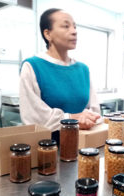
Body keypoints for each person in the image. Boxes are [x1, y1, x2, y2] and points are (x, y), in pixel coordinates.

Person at [19, 8, 101, 142]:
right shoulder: (32, 66)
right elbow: (33, 116)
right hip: (47, 148)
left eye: (74, 26)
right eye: (66, 26)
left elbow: (94, 109)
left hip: (84, 147)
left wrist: (89, 118)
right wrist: (72, 118)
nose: (74, 31)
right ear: (48, 34)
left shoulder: (83, 69)